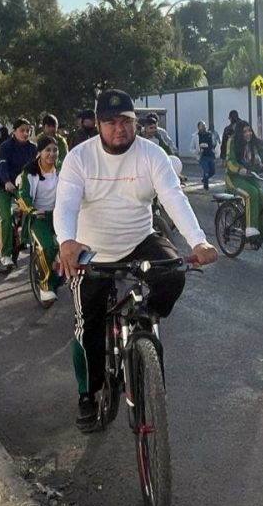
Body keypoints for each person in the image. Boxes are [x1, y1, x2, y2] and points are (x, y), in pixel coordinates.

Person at [54, 89, 218, 431]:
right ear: (98, 125)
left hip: (140, 239)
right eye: (111, 122)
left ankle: (144, 322)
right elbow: (66, 203)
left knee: (174, 273)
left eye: (126, 121)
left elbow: (173, 197)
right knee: (88, 324)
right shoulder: (79, 158)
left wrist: (198, 241)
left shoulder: (151, 154)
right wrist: (66, 241)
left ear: (135, 122)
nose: (120, 129)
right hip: (92, 249)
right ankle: (89, 392)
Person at [17, 136, 62, 302]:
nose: (52, 154)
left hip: (59, 216)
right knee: (47, 247)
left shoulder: (62, 170)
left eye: (55, 150)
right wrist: (33, 210)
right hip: (38, 218)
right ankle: (46, 287)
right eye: (48, 150)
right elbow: (22, 197)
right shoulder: (29, 173)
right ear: (39, 153)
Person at [224, 120, 263, 237]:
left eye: (249, 130)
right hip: (234, 178)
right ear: (239, 134)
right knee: (251, 194)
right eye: (244, 132)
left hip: (250, 177)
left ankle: (260, 235)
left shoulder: (256, 143)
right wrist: (238, 169)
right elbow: (230, 161)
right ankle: (250, 229)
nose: (248, 134)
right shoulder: (232, 142)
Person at [0, 118, 37, 267]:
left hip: (22, 185)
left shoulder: (33, 147)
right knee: (6, 217)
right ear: (14, 131)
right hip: (3, 185)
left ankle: (24, 239)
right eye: (22, 130)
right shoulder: (6, 146)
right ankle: (5, 255)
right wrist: (6, 181)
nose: (26, 133)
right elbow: (3, 165)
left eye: (28, 130)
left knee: (30, 208)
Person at [190, 120, 216, 190]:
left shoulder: (209, 134)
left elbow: (213, 144)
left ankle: (204, 179)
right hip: (202, 156)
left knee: (213, 171)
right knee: (206, 170)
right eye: (202, 126)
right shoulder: (196, 136)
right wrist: (197, 151)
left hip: (210, 155)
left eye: (204, 126)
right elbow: (191, 149)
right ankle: (206, 186)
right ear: (198, 127)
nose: (204, 127)